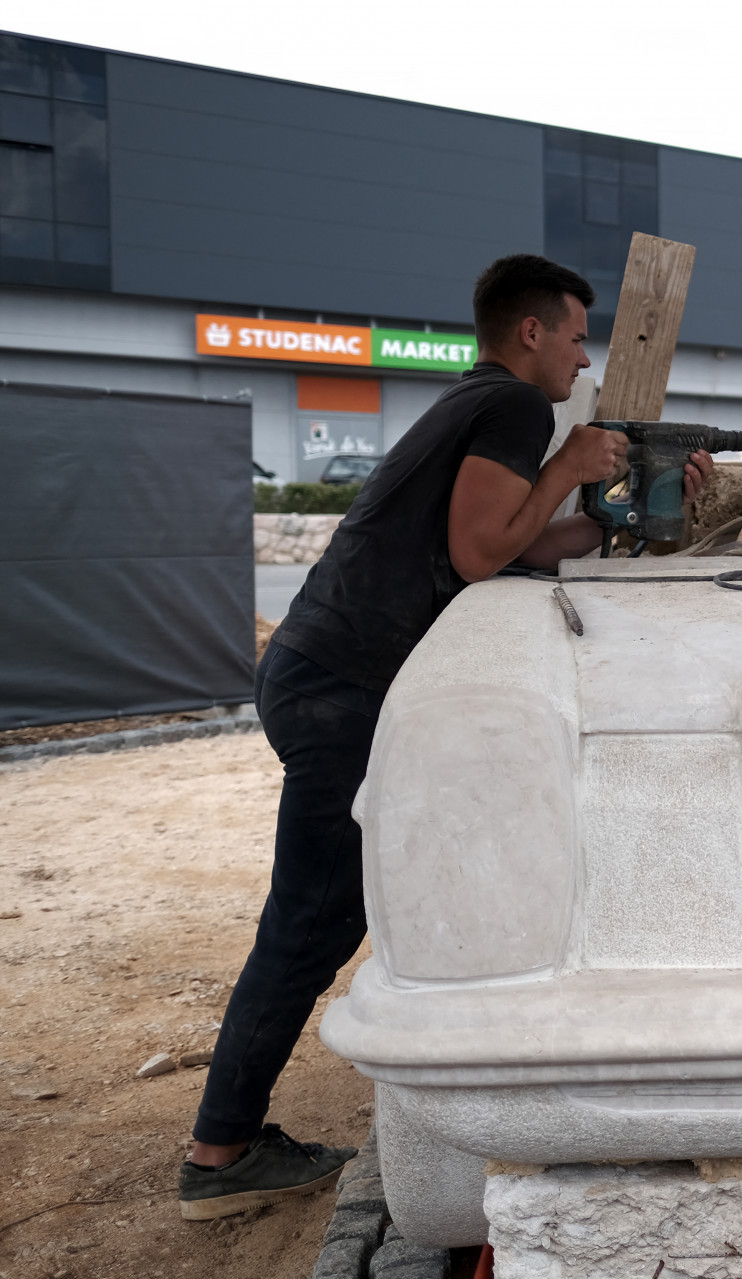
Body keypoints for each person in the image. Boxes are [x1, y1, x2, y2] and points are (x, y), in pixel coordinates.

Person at [176, 255, 713, 1220]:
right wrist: (569, 462)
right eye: (578, 334)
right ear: (532, 332)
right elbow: (479, 553)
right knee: (307, 922)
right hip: (339, 685)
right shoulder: (509, 409)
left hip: (322, 673)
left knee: (329, 913)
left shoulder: (478, 405)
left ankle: (227, 1142)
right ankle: (218, 1155)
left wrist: (625, 508)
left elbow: (524, 540)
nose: (586, 355)